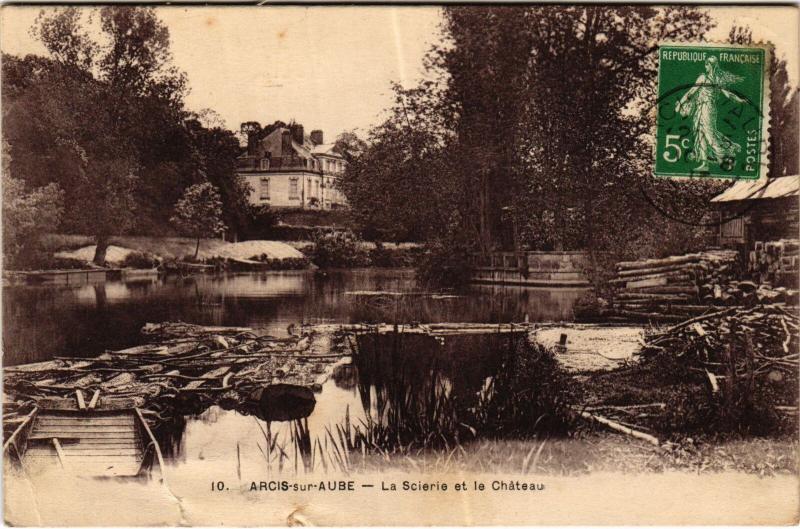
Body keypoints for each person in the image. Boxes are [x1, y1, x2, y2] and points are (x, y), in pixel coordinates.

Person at [675, 56, 746, 173]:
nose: (705, 66)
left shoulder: (704, 77)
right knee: (700, 133)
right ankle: (704, 163)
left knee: (708, 134)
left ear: (711, 65)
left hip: (706, 108)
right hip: (703, 108)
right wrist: (739, 99)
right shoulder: (717, 79)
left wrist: (680, 104)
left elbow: (691, 92)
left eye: (707, 64)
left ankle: (726, 158)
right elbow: (728, 94)